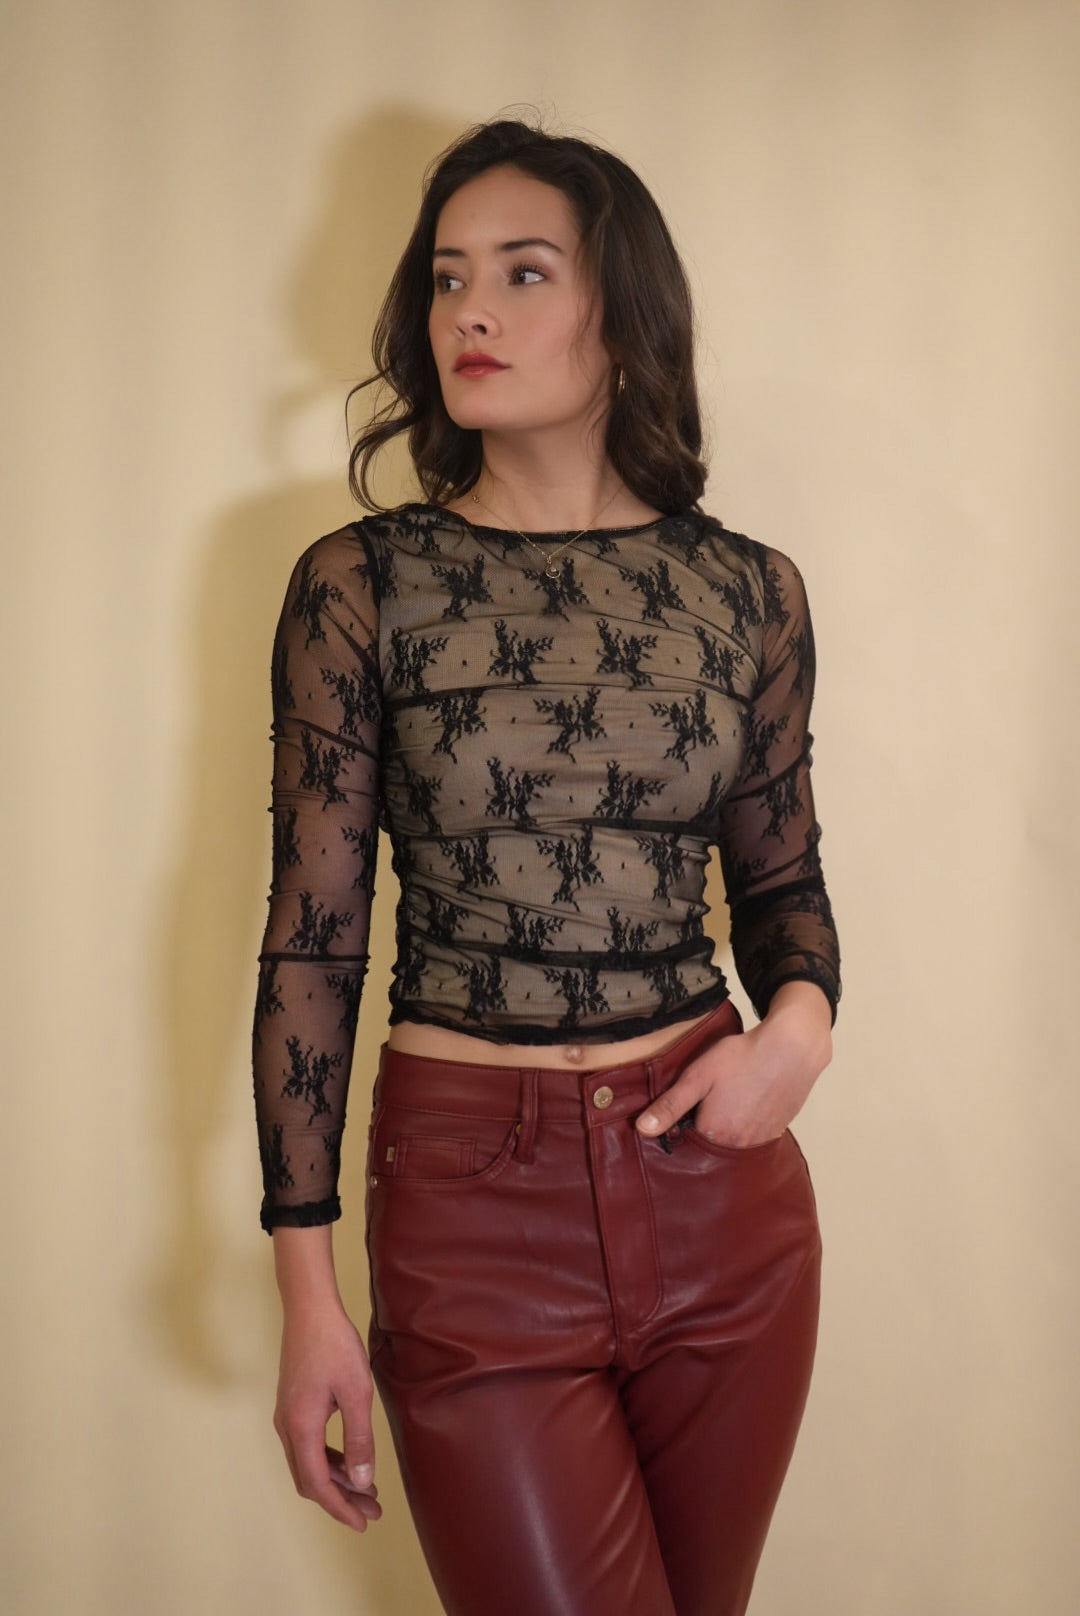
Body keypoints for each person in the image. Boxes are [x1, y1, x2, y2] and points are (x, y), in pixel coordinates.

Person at [253, 116, 841, 1616]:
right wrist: (309, 1296)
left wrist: (798, 1033)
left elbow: (783, 889)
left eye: (523, 272)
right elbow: (315, 942)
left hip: (722, 1201)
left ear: (625, 319)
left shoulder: (748, 594)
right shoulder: (361, 586)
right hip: (472, 1206)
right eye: (449, 278)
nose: (471, 311)